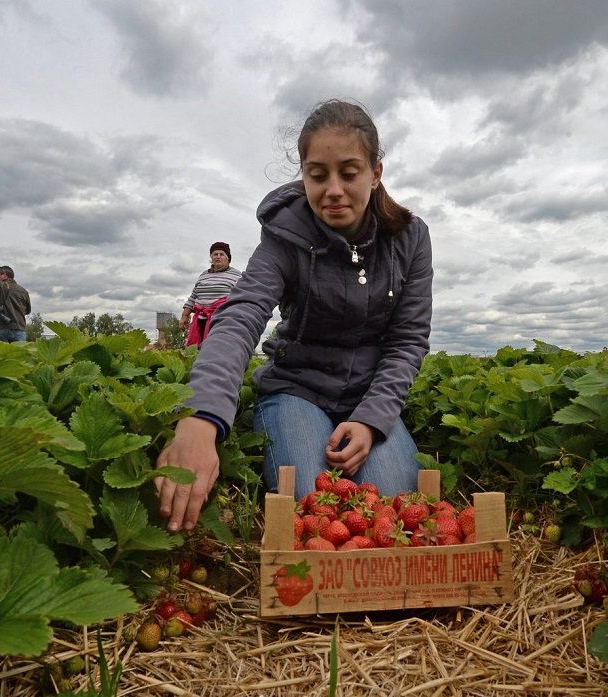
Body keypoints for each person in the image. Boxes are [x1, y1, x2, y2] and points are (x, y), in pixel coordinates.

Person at [155, 99, 433, 532]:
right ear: (303, 175)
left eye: (349, 172)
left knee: (394, 512)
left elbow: (408, 340)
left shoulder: (410, 239)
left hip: (368, 395)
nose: (333, 189)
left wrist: (372, 418)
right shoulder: (286, 236)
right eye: (317, 175)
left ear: (376, 174)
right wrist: (201, 416)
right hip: (297, 390)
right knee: (314, 511)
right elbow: (242, 313)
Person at [179, 242, 242, 347]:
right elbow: (193, 297)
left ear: (228, 258)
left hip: (222, 320)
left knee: (218, 348)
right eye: (215, 254)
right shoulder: (203, 275)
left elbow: (242, 297)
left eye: (221, 254)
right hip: (201, 321)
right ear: (211, 257)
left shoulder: (236, 275)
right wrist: (184, 316)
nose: (218, 257)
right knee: (198, 350)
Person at [0, 265, 31, 342]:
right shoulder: (24, 291)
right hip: (19, 330)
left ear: (4, 275)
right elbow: (27, 311)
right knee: (19, 353)